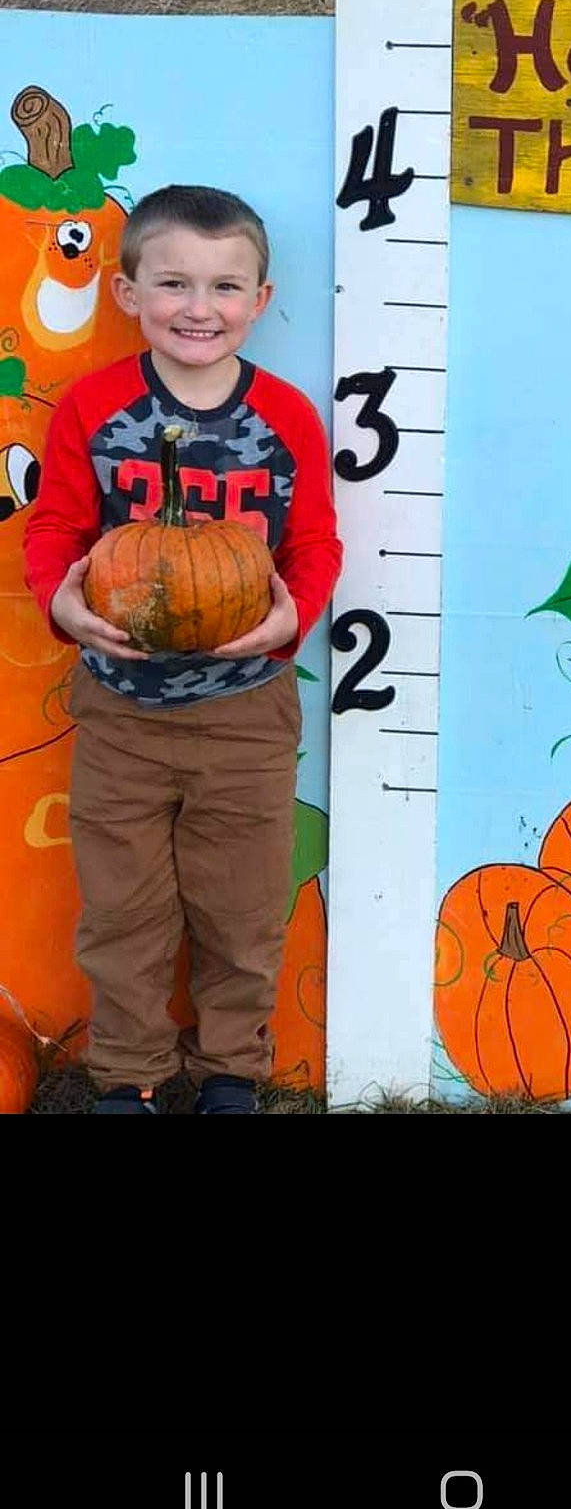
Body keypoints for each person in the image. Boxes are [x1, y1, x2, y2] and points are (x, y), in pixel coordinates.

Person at [23, 185, 343, 1114]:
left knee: (239, 908)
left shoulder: (282, 416)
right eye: (172, 283)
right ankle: (128, 1075)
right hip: (120, 711)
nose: (198, 308)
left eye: (223, 286)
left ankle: (232, 1069)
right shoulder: (94, 407)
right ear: (127, 295)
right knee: (123, 911)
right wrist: (65, 602)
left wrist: (295, 617)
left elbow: (314, 544)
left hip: (245, 711)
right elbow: (55, 528)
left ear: (261, 298)